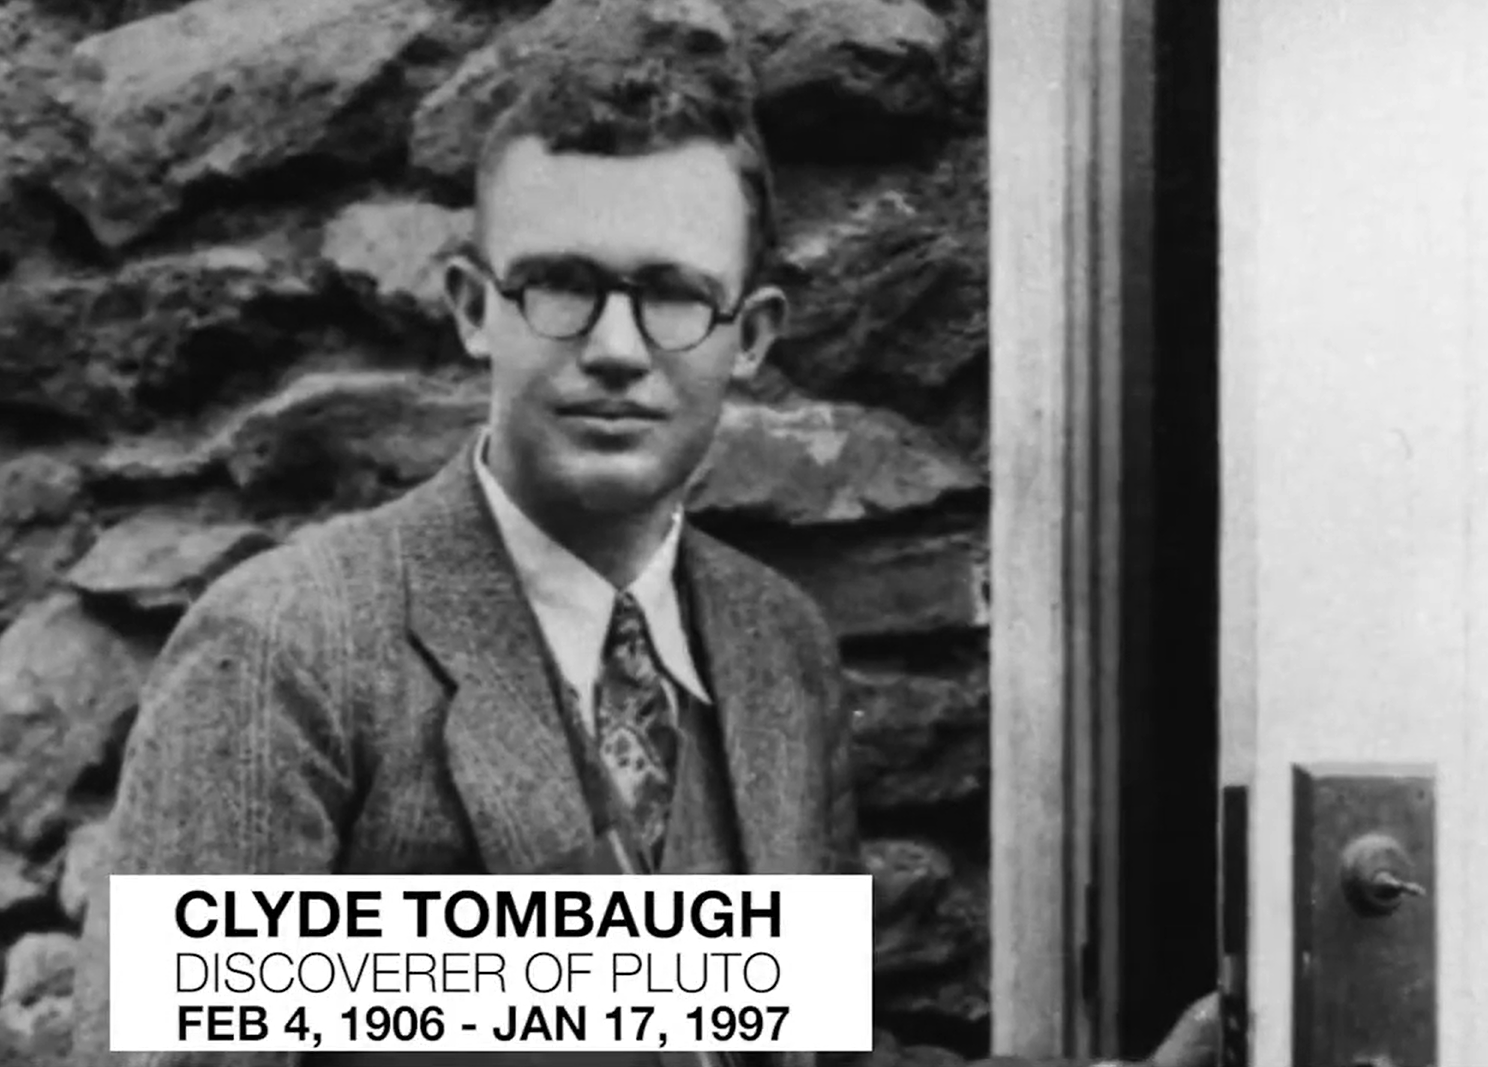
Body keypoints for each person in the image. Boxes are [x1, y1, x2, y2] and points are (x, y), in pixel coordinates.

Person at [72, 53, 1217, 1067]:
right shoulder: (289, 642)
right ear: (475, 309)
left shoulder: (776, 646)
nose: (615, 349)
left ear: (752, 333)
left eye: (673, 293)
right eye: (562, 286)